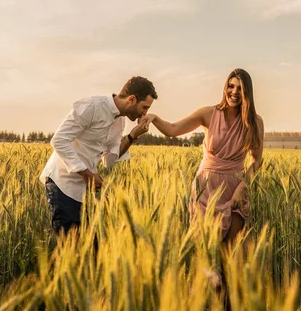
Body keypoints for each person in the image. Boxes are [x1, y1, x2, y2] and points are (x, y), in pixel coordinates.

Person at [144, 68, 264, 242]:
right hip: (205, 188)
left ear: (248, 92)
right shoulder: (208, 114)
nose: (234, 92)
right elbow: (173, 129)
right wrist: (154, 117)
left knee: (231, 254)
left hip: (235, 189)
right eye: (231, 86)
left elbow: (256, 159)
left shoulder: (255, 122)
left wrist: (242, 187)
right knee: (204, 249)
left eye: (240, 88)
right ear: (225, 88)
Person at [39, 76, 157, 234]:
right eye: (144, 107)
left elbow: (108, 160)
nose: (145, 113)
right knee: (71, 248)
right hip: (62, 183)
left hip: (85, 189)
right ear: (132, 99)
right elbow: (59, 140)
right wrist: (86, 173)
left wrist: (133, 135)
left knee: (90, 250)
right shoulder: (92, 106)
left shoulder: (120, 122)